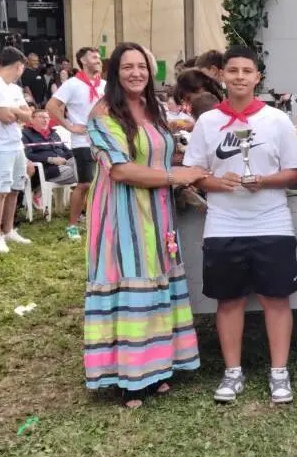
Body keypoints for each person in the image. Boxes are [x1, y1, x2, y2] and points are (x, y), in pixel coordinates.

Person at [82, 42, 207, 408]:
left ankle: (156, 369)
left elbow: (159, 152)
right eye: (127, 67)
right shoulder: (103, 113)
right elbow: (120, 169)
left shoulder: (152, 109)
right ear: (115, 73)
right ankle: (130, 378)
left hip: (158, 209)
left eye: (142, 66)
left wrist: (192, 164)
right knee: (132, 282)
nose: (136, 73)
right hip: (121, 212)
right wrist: (177, 176)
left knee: (157, 283)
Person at [183, 45, 297, 405]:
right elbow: (195, 172)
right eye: (232, 71)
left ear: (257, 78)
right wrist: (216, 183)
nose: (239, 77)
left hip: (271, 222)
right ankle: (232, 372)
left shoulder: (277, 120)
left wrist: (263, 181)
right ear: (222, 75)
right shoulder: (207, 122)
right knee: (229, 300)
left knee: (276, 299)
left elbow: (296, 171)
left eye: (246, 71)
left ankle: (279, 372)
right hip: (224, 224)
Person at [47, 46, 106, 241]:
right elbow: (52, 106)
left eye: (99, 57)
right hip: (83, 141)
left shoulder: (104, 85)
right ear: (83, 61)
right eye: (94, 57)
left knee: (103, 184)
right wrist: (69, 126)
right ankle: (72, 225)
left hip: (105, 140)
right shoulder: (72, 84)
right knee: (85, 183)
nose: (98, 60)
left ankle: (97, 221)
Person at [0, 46, 34, 253]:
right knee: (0, 189)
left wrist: (16, 112)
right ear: (19, 66)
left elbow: (28, 114)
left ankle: (9, 229)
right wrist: (16, 113)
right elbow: (5, 117)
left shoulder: (14, 88)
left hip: (15, 142)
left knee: (15, 188)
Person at [22, 109, 76, 197]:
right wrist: (51, 159)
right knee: (78, 172)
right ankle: (38, 189)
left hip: (64, 163)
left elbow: (66, 151)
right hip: (47, 169)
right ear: (32, 120)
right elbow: (27, 155)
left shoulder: (53, 134)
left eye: (47, 117)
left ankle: (39, 191)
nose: (45, 120)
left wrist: (79, 155)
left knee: (81, 164)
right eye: (41, 117)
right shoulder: (25, 134)